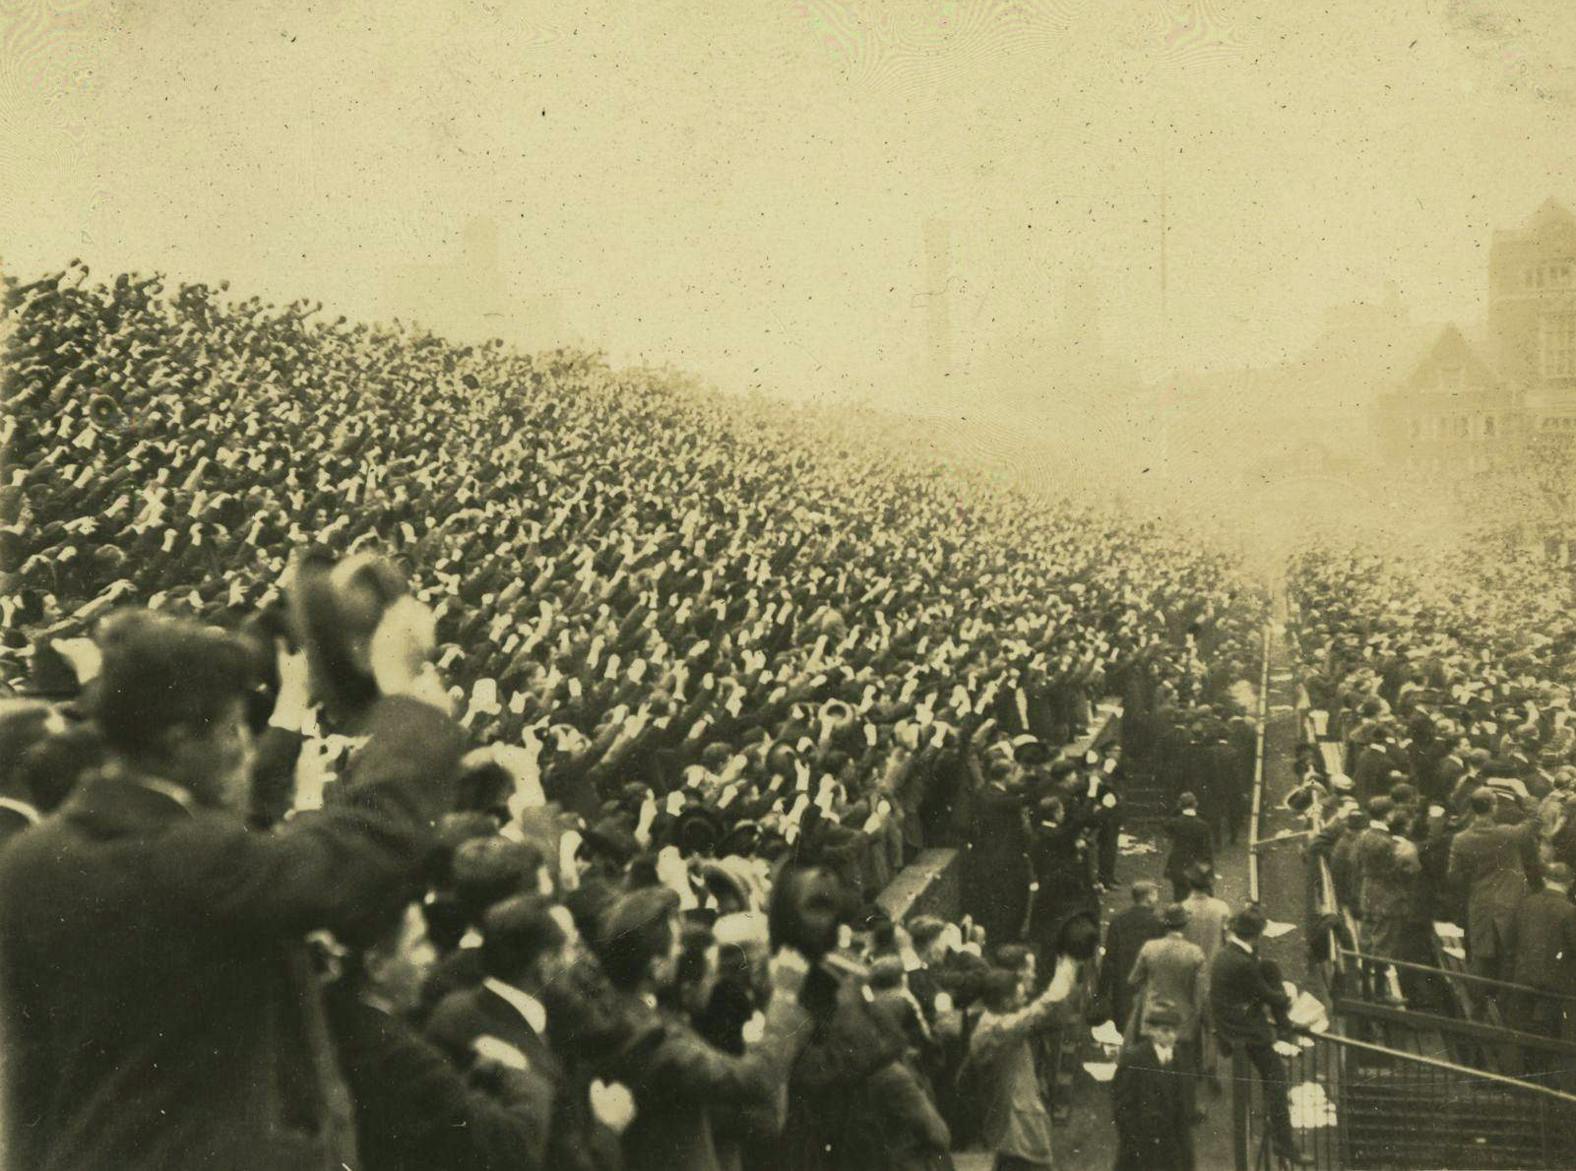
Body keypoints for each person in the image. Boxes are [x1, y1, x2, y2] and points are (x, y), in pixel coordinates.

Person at [0, 606, 463, 1171]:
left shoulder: (29, 861)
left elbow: (30, 1085)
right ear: (176, 742)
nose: (246, 749)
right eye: (234, 730)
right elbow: (360, 851)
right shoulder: (189, 860)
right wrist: (405, 703)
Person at [594, 886, 812, 1171]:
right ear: (657, 967)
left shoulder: (630, 1015)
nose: (679, 955)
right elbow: (754, 1080)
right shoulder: (649, 1038)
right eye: (674, 949)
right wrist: (784, 997)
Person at [327, 902, 555, 1171]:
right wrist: (517, 1071)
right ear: (377, 966)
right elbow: (514, 1146)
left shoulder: (339, 1021)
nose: (432, 955)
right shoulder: (398, 1055)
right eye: (418, 943)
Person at [1208, 906, 1311, 1167]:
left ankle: (1286, 1032)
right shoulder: (1244, 963)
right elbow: (1267, 994)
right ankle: (1284, 1142)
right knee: (1277, 1079)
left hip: (1228, 1019)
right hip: (1243, 1030)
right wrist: (1288, 996)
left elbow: (1257, 985)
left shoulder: (1226, 954)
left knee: (1270, 968)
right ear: (1254, 936)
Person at [966, 950, 1080, 1171]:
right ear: (1006, 1001)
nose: (1023, 997)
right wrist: (1066, 969)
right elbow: (1041, 1009)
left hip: (1010, 1126)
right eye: (1018, 995)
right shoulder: (998, 1030)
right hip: (1017, 1128)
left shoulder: (991, 1022)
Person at [1126, 903, 1207, 1122]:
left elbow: (1133, 979)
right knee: (1184, 1067)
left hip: (1152, 1016)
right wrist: (1196, 1016)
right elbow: (1199, 994)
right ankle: (1187, 1110)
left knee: (1150, 1064)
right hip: (1182, 1020)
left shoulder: (1149, 948)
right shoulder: (1194, 953)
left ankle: (1147, 1108)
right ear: (1185, 924)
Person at [1448, 788, 1536, 982]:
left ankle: (1478, 1002)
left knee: (1481, 954)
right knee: (1509, 955)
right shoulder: (1507, 834)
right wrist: (1526, 800)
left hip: (1479, 901)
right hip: (1510, 901)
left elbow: (1453, 876)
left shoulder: (1460, 839)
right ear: (1493, 807)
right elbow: (1532, 823)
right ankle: (1503, 1002)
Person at [1502, 861, 1576, 1078]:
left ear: (1545, 880)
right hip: (1555, 983)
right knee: (1551, 1032)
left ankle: (1514, 1076)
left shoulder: (1526, 903)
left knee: (1519, 1027)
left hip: (1523, 976)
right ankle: (1543, 1081)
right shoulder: (1570, 911)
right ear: (1571, 883)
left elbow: (1510, 940)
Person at [1111, 1001, 1194, 1171]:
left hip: (1173, 1145)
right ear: (1152, 1031)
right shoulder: (1135, 1059)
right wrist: (1133, 1138)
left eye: (1174, 1031)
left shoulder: (1179, 1058)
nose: (1171, 1035)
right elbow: (1122, 1105)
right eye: (1165, 1030)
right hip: (1143, 1146)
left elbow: (1184, 1100)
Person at [1096, 881, 1163, 1032]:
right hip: (1147, 984)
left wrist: (1102, 992)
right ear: (1149, 897)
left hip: (1122, 984)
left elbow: (1109, 959)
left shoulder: (1118, 921)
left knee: (1124, 1028)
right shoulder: (1157, 923)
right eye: (1155, 894)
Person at [1163, 792, 1214, 903]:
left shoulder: (1175, 823)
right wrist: (1209, 870)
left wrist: (1177, 810)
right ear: (1196, 804)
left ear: (1180, 805)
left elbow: (1166, 824)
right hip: (1196, 865)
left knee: (1179, 897)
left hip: (1178, 864)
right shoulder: (1203, 825)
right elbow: (1207, 850)